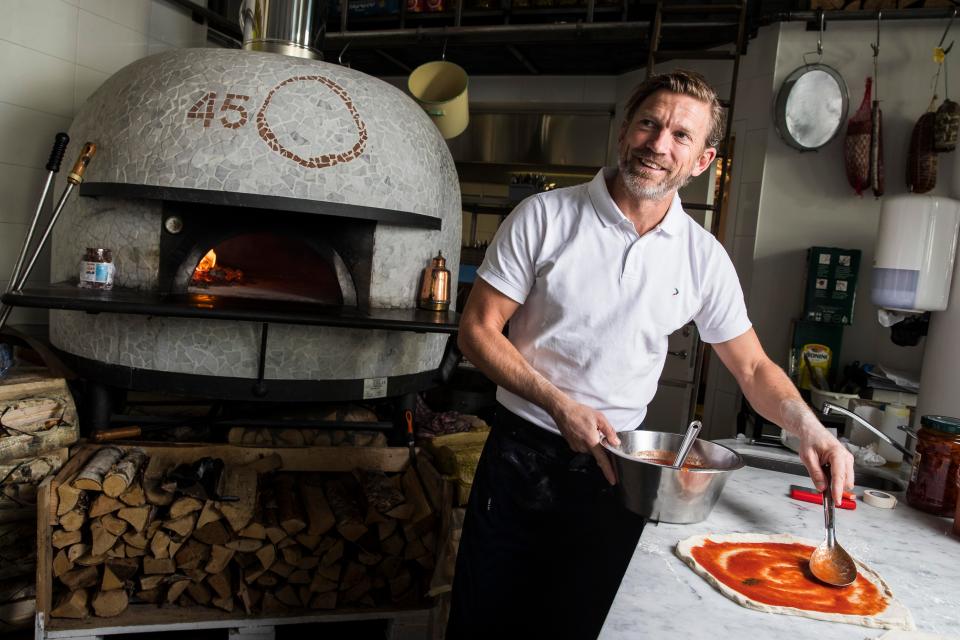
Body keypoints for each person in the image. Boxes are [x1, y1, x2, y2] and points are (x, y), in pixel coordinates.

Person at [445, 69, 856, 639]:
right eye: (649, 124)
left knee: (584, 624)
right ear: (624, 133)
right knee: (486, 622)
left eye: (681, 136)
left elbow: (755, 367)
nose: (659, 145)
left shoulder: (702, 257)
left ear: (703, 160)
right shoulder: (544, 217)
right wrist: (560, 405)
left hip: (622, 472)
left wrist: (808, 429)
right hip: (522, 456)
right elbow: (478, 331)